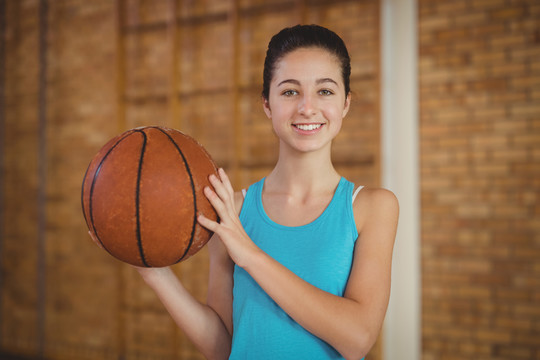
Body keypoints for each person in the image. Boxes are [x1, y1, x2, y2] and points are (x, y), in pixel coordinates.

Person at [95, 24, 398, 360]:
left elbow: (357, 340)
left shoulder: (372, 208)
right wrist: (155, 274)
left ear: (345, 103)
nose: (307, 108)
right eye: (289, 92)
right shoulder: (231, 210)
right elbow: (224, 347)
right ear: (267, 104)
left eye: (325, 91)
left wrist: (250, 255)